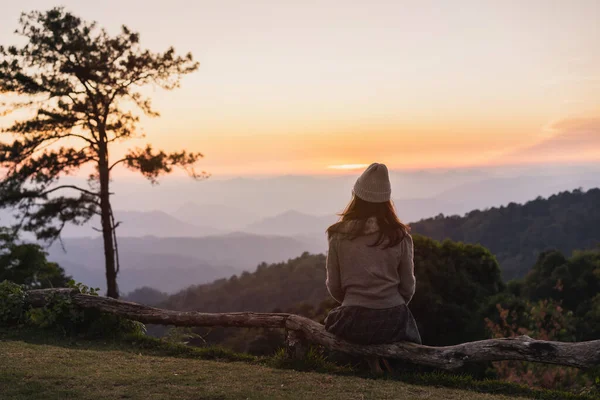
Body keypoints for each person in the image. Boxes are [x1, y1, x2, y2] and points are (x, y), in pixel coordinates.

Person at [324, 163, 421, 372]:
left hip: (353, 319)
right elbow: (408, 286)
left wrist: (355, 302)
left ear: (356, 196)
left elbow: (334, 286)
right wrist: (388, 303)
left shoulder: (338, 235)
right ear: (387, 200)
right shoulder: (400, 236)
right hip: (393, 319)